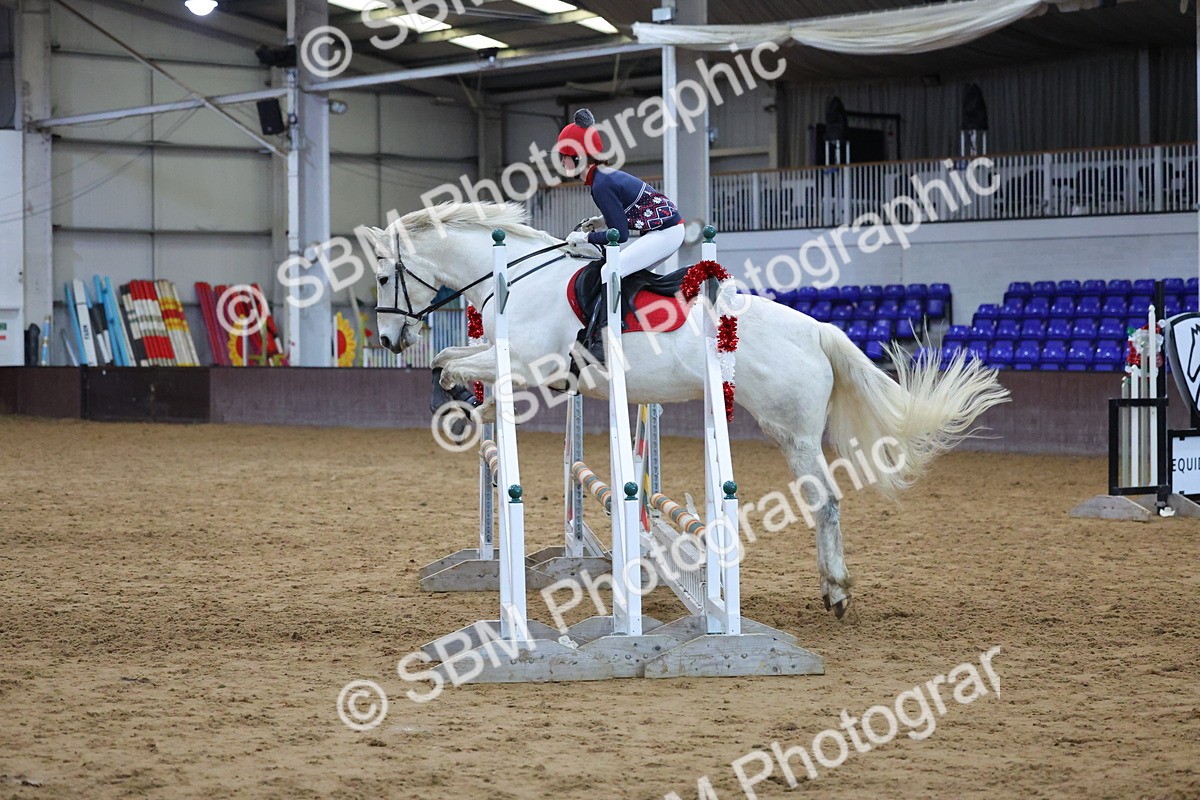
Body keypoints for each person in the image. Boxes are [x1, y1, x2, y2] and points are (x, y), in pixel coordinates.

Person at [555, 108, 685, 363]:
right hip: (665, 231)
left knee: (609, 271)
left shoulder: (601, 184)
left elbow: (620, 234)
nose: (561, 162)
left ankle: (605, 340)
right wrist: (601, 221)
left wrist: (585, 239)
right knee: (625, 272)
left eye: (564, 156)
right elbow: (623, 213)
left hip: (666, 232)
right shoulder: (601, 178)